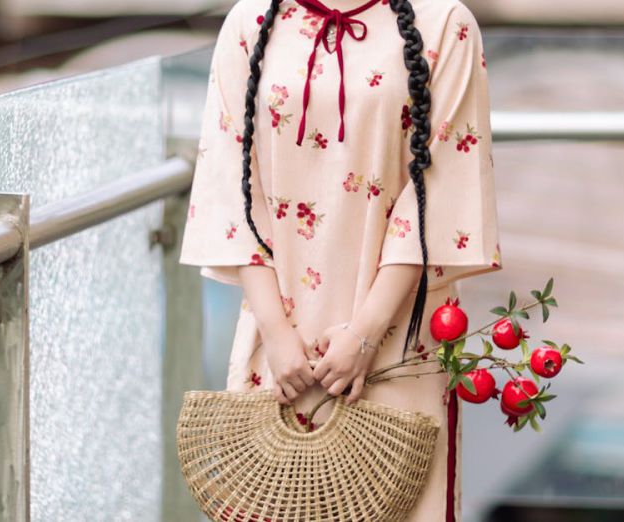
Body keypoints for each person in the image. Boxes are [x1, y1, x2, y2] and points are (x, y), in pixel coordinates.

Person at [178, 0, 502, 519]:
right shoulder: (248, 21)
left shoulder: (445, 22)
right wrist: (278, 336)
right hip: (278, 351)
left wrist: (364, 336)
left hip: (395, 344)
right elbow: (232, 191)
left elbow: (440, 196)